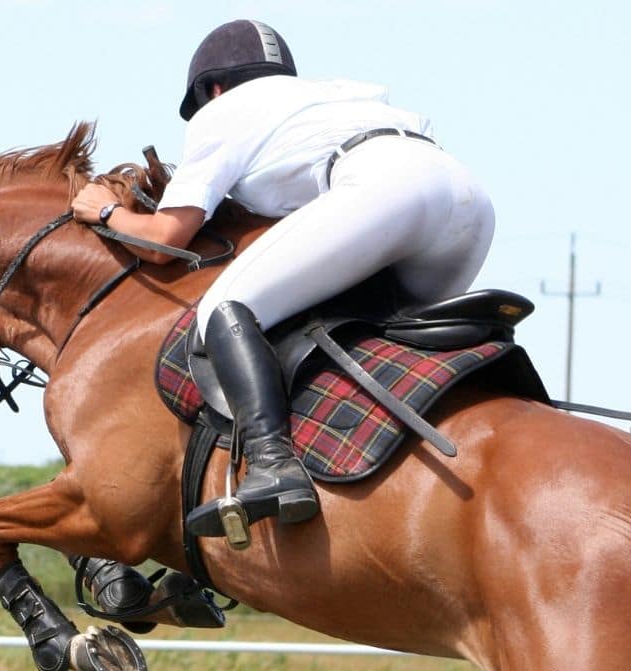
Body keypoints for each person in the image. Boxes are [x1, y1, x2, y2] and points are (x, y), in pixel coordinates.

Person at [70, 18, 496, 538]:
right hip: (467, 205)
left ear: (214, 89)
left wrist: (107, 212)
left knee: (225, 309)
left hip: (388, 189)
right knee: (380, 339)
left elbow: (165, 237)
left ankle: (273, 465)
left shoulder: (224, 111)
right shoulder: (331, 98)